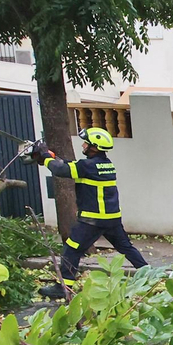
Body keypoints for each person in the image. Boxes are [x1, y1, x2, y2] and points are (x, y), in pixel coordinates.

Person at [28, 127, 149, 299]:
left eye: (86, 143)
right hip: (112, 219)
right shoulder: (105, 165)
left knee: (72, 248)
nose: (83, 145)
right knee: (126, 248)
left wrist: (46, 157)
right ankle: (150, 277)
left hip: (92, 220)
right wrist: (52, 157)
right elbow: (70, 166)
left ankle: (63, 287)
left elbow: (62, 170)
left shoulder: (87, 166)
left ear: (94, 147)